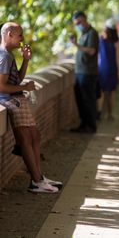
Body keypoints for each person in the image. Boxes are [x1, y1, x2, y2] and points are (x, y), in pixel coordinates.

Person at [0, 22, 62, 193]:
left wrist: (26, 61)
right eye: (19, 34)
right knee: (26, 139)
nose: (22, 38)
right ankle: (36, 181)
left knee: (34, 135)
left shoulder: (9, 55)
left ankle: (39, 178)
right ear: (9, 34)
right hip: (10, 101)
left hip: (17, 98)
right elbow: (1, 87)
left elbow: (16, 80)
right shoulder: (4, 56)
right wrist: (24, 89)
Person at [70, 11, 99, 133]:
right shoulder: (82, 33)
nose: (78, 25)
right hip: (80, 71)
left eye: (79, 22)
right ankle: (84, 123)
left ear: (84, 19)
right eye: (76, 23)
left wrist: (76, 44)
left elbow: (92, 51)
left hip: (88, 72)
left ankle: (91, 125)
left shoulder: (92, 33)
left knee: (88, 99)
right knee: (80, 99)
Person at [98, 19, 119, 120]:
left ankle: (98, 112)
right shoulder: (117, 42)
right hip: (112, 69)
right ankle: (110, 114)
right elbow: (118, 58)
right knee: (111, 92)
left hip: (102, 68)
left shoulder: (101, 39)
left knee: (102, 91)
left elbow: (98, 56)